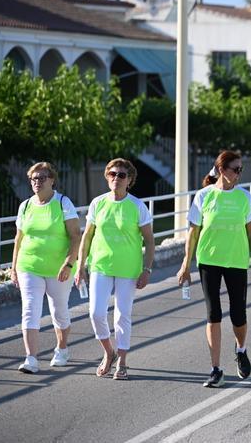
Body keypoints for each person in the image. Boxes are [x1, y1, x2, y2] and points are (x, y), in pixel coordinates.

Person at [178, 151, 251, 388]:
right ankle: (215, 369)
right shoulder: (204, 196)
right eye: (236, 169)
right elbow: (193, 233)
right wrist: (186, 265)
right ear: (222, 170)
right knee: (213, 314)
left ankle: (241, 349)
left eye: (240, 170)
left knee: (238, 315)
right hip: (209, 261)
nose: (239, 174)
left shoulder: (244, 197)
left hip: (236, 261)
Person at [76, 159, 154, 380]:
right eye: (112, 173)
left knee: (122, 316)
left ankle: (122, 361)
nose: (116, 178)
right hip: (100, 265)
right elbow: (87, 236)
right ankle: (108, 352)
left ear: (129, 180)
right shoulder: (97, 203)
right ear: (106, 176)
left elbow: (149, 240)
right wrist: (80, 266)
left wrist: (146, 269)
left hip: (129, 269)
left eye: (121, 175)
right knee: (96, 313)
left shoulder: (137, 206)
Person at [11, 162, 81, 374]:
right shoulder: (25, 205)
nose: (37, 182)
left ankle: (61, 348)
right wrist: (14, 267)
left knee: (58, 311)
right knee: (30, 309)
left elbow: (75, 236)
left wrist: (69, 263)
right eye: (33, 178)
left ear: (52, 180)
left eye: (41, 178)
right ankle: (31, 358)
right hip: (29, 265)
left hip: (59, 268)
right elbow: (19, 238)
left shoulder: (63, 203)